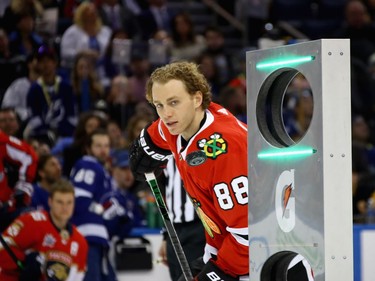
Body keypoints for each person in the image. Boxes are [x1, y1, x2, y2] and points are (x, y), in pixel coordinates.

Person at [129, 61, 249, 280]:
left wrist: (217, 273)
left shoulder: (225, 150)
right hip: (220, 247)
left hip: (257, 259)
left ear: (197, 99)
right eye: (159, 105)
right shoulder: (180, 124)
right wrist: (144, 146)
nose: (166, 114)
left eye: (173, 102)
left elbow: (249, 233)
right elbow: (157, 133)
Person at [0, 178, 88, 281]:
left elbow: (76, 277)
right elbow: (2, 247)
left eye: (69, 202)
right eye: (60, 202)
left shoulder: (80, 242)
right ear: (50, 202)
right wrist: (24, 261)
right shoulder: (30, 221)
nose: (65, 208)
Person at [70, 128, 118, 281]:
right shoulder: (88, 165)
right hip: (87, 236)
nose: (103, 150)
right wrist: (101, 210)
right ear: (88, 148)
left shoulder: (101, 169)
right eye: (98, 146)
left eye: (106, 145)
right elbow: (80, 199)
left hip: (97, 237)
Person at [158, 158, 206, 281]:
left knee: (194, 276)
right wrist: (165, 234)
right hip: (174, 229)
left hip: (199, 226)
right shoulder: (165, 151)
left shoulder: (199, 148)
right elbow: (164, 193)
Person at [0, 130, 38, 232]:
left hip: (5, 208)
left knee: (32, 221)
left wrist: (23, 185)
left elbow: (29, 156)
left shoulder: (1, 141)